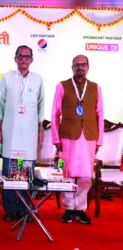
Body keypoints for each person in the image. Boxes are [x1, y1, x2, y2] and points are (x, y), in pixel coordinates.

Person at [51, 54, 104, 224]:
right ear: (72, 67)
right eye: (77, 65)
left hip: (88, 137)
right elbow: (55, 114)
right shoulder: (62, 86)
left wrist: (99, 140)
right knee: (67, 172)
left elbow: (100, 115)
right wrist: (56, 139)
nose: (80, 68)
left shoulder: (96, 88)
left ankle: (80, 209)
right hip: (67, 136)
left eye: (83, 65)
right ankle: (68, 208)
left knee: (85, 175)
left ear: (88, 67)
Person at [0, 45, 45, 221]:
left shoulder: (38, 79)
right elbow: (0, 106)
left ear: (31, 59)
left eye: (27, 56)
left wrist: (40, 129)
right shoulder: (7, 78)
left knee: (27, 172)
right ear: (15, 58)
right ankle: (10, 209)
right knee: (10, 172)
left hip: (30, 133)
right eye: (20, 56)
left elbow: (41, 107)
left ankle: (26, 208)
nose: (23, 59)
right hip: (10, 132)